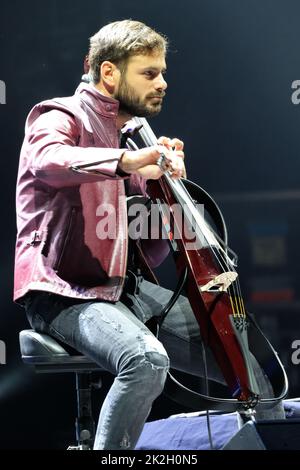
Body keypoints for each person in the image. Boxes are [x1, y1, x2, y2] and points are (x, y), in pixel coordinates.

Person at [14, 20, 285, 450]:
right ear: (109, 73)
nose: (163, 82)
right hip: (64, 292)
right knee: (146, 360)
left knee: (248, 367)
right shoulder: (58, 115)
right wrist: (130, 160)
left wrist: (166, 193)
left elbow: (150, 250)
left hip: (126, 289)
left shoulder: (133, 137)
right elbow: (49, 162)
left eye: (162, 72)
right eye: (149, 73)